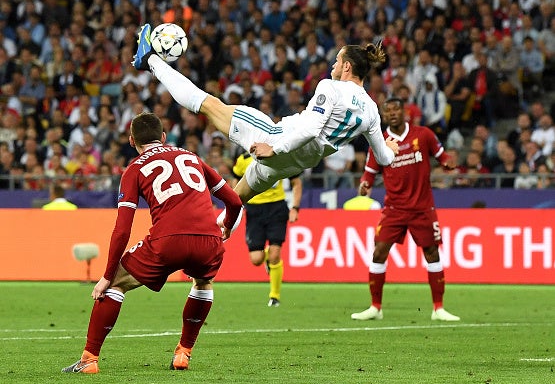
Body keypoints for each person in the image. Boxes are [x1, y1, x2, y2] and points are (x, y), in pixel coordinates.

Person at [133, 24, 399, 208]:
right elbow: (384, 158)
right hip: (291, 166)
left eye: (338, 61)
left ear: (347, 67)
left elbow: (310, 130)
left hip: (275, 140)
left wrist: (274, 147)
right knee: (234, 203)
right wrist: (391, 148)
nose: (333, 65)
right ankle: (211, 243)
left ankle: (150, 60)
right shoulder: (371, 109)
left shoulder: (330, 87)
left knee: (209, 105)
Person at [62, 112, 243, 374]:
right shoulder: (192, 157)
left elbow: (122, 229)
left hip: (167, 241)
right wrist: (226, 226)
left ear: (131, 140)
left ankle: (89, 359)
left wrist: (107, 275)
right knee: (203, 282)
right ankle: (183, 353)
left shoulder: (134, 169)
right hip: (209, 240)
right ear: (163, 137)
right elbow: (235, 202)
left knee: (115, 285)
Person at [351, 97, 460, 322]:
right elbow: (370, 172)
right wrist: (365, 184)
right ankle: (375, 307)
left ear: (405, 112)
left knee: (432, 253)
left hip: (422, 207)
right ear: (383, 115)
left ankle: (438, 308)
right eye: (388, 110)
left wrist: (449, 161)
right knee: (379, 251)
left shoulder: (424, 135)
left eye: (396, 109)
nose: (392, 113)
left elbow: (442, 156)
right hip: (394, 208)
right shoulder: (380, 141)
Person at [232, 151, 303, 307]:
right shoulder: (243, 160)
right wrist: (237, 207)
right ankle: (268, 259)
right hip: (254, 210)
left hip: (276, 207)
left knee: (275, 254)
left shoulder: (279, 155)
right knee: (256, 259)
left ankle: (274, 296)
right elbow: (235, 182)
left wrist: (295, 207)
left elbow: (296, 182)